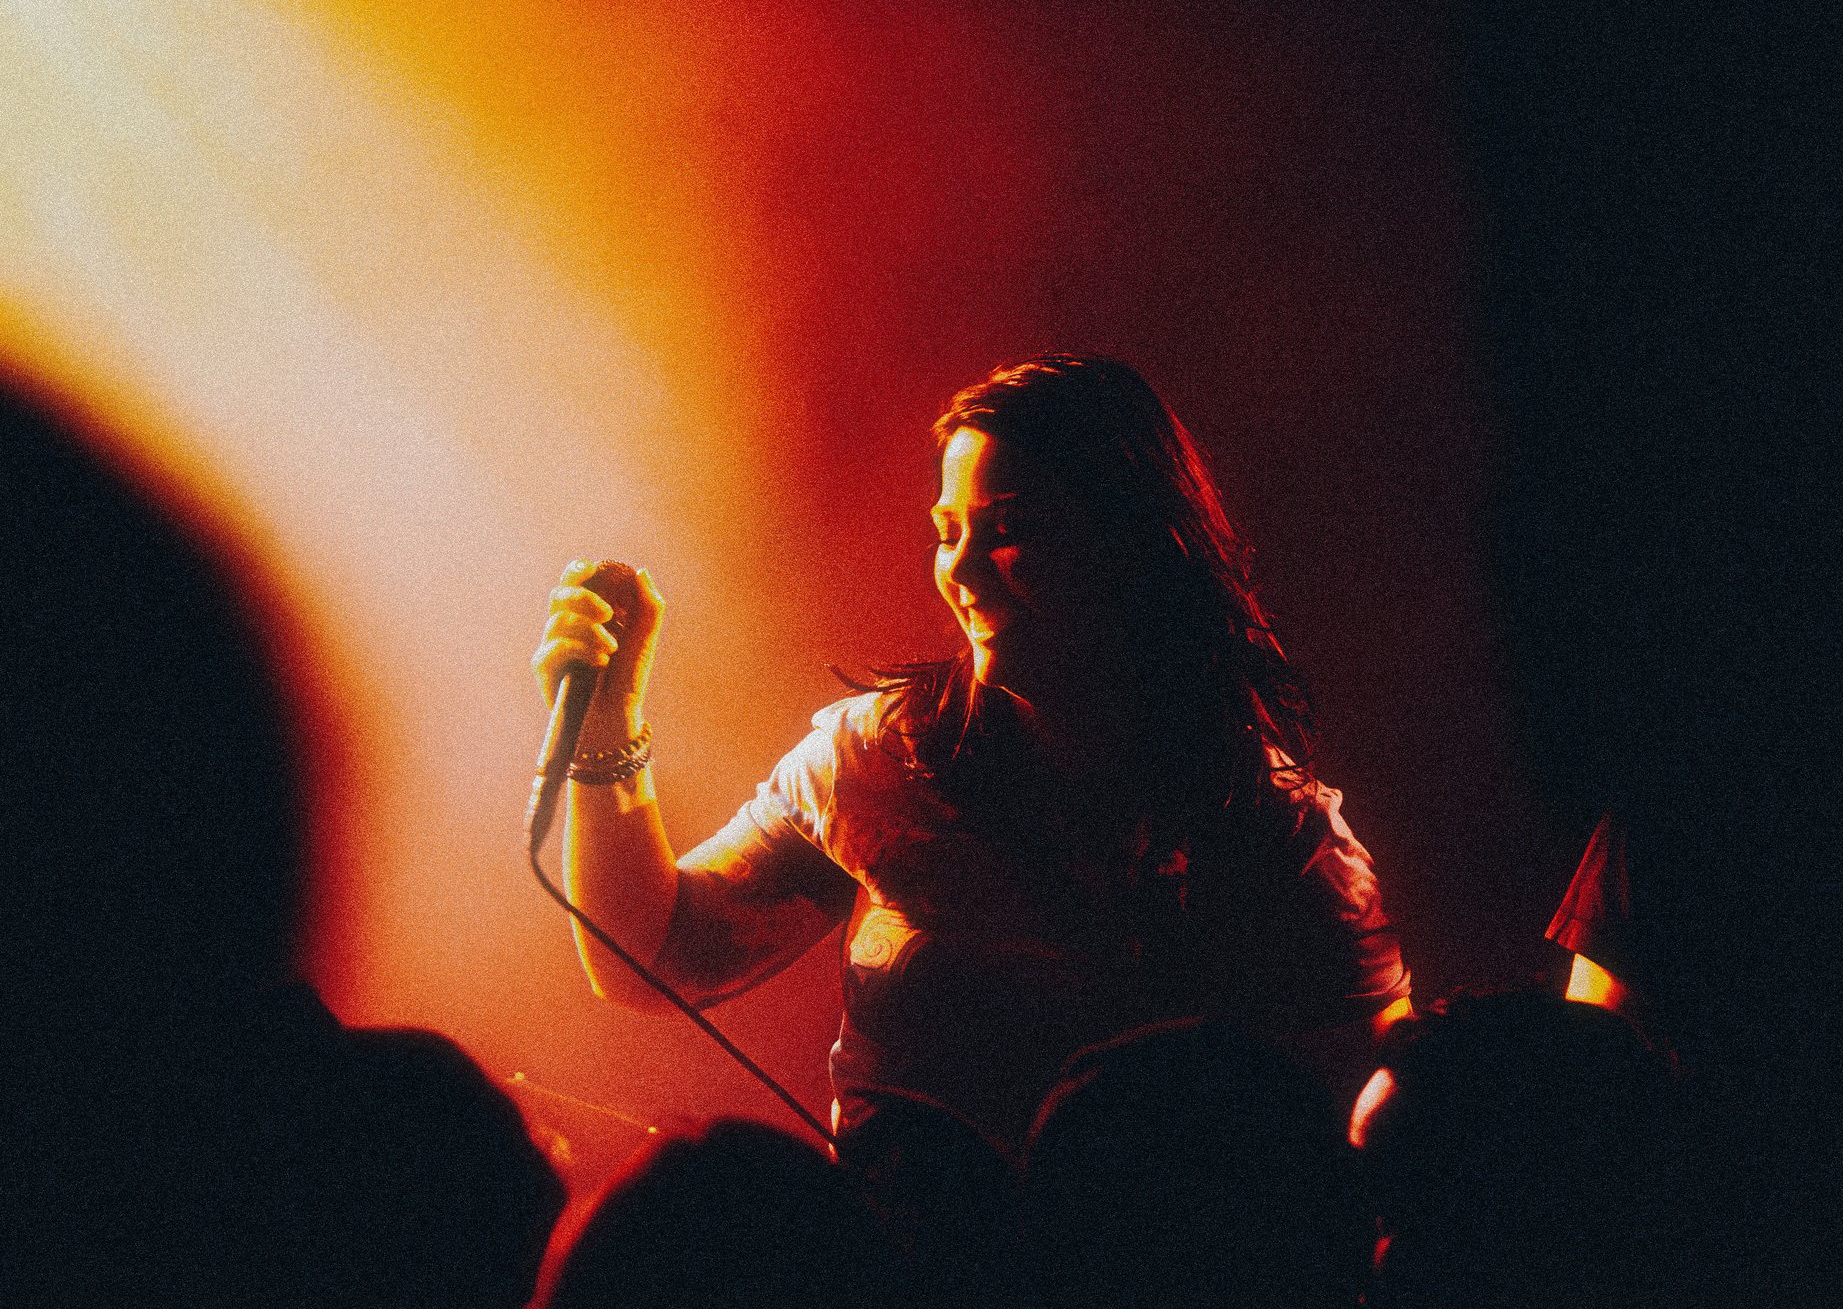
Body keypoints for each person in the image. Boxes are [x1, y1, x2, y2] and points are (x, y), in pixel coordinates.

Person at [532, 352, 1411, 1150]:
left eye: (1010, 527)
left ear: (1132, 540)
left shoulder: (1280, 844)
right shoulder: (879, 763)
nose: (963, 568)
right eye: (948, 531)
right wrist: (606, 733)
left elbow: (1366, 1146)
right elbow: (654, 958)